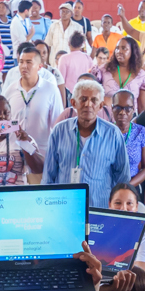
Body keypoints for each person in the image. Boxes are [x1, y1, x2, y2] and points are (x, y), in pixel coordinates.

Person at [44, 80, 130, 208]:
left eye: (94, 100)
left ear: (101, 106)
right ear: (73, 103)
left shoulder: (113, 134)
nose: (88, 104)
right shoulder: (59, 131)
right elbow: (48, 176)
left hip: (100, 209)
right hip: (65, 208)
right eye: (83, 99)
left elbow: (122, 177)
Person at [111, 89, 145, 187]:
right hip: (108, 187)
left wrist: (127, 186)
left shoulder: (140, 132)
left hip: (132, 186)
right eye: (118, 108)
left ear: (133, 109)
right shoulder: (106, 132)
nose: (122, 112)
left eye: (127, 108)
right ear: (112, 108)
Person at [102, 36, 145, 112]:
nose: (119, 51)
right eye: (117, 48)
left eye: (124, 48)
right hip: (106, 119)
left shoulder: (141, 75)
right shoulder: (104, 70)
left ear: (133, 51)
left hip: (129, 120)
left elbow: (142, 107)